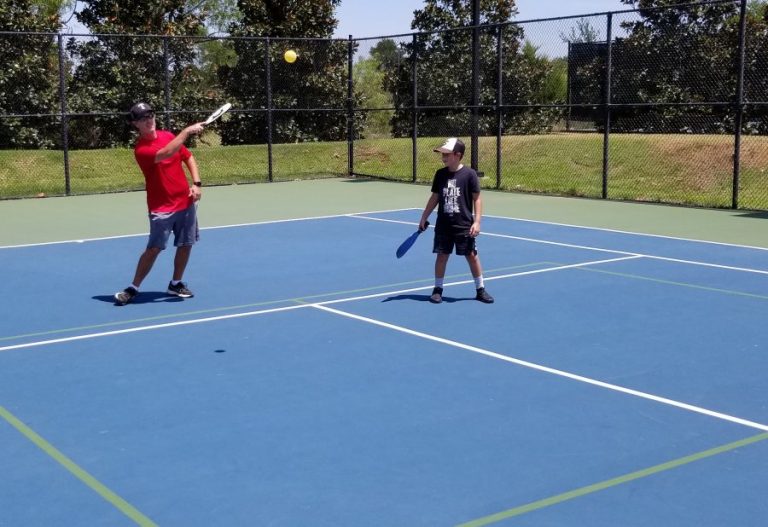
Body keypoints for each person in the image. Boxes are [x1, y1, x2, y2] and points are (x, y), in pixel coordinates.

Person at [114, 102, 206, 306]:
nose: (149, 120)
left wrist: (197, 184)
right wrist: (186, 132)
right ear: (135, 124)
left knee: (186, 244)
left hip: (186, 202)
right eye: (143, 118)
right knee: (154, 248)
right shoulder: (141, 150)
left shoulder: (167, 135)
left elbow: (188, 157)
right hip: (162, 208)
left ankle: (176, 283)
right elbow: (165, 153)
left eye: (151, 115)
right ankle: (133, 287)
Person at [419, 137, 494, 304]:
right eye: (442, 154)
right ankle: (437, 290)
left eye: (447, 154)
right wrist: (424, 216)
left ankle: (480, 289)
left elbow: (477, 199)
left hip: (464, 225)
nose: (443, 157)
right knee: (441, 256)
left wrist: (477, 221)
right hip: (443, 226)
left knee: (472, 256)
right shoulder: (440, 174)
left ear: (458, 155)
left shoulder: (469, 174)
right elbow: (435, 197)